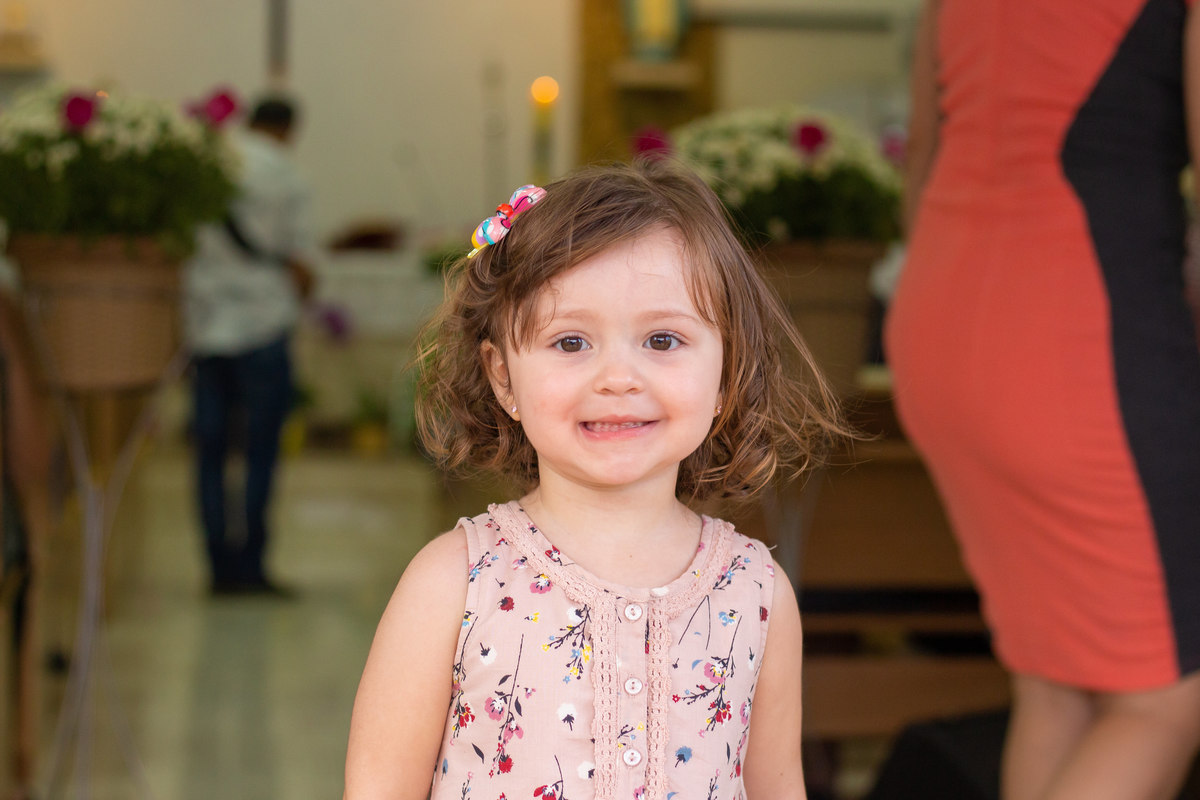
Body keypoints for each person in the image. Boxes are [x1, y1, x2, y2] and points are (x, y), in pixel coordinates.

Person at [343, 160, 846, 799]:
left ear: (728, 372)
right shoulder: (454, 582)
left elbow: (777, 787)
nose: (618, 378)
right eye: (571, 343)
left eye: (662, 340)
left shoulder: (757, 591)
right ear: (502, 376)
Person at [886, 1, 1200, 798]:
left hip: (939, 321)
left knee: (1056, 683)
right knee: (1168, 697)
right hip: (1080, 339)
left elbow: (922, 159)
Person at [183, 96, 316, 596]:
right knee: (260, 453)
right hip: (263, 326)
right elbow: (302, 262)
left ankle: (217, 568)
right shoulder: (285, 174)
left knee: (210, 454)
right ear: (287, 129)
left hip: (207, 328)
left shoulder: (210, 167)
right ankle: (252, 566)